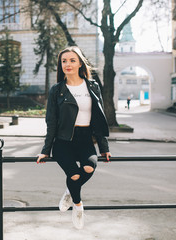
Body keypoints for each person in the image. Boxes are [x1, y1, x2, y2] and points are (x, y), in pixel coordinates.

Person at [36, 46, 111, 229]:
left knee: (89, 167)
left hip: (85, 139)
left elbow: (99, 118)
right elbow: (51, 122)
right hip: (63, 141)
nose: (67, 64)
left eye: (72, 60)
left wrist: (104, 148)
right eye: (64, 61)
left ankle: (70, 192)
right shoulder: (57, 90)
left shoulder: (92, 86)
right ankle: (78, 206)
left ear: (79, 63)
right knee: (75, 175)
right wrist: (45, 151)